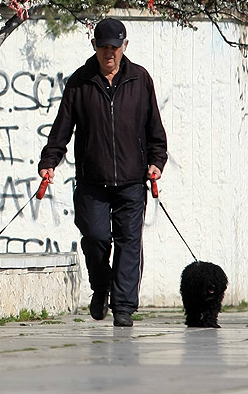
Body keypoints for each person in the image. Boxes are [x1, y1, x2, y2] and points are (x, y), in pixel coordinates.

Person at [38, 17, 168, 327]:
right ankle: (101, 287)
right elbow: (63, 126)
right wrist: (49, 161)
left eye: (114, 47)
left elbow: (154, 130)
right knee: (95, 237)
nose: (109, 53)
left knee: (128, 242)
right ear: (94, 46)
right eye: (103, 47)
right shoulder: (80, 82)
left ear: (125, 46)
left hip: (132, 179)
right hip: (92, 180)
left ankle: (123, 306)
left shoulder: (140, 79)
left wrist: (156, 161)